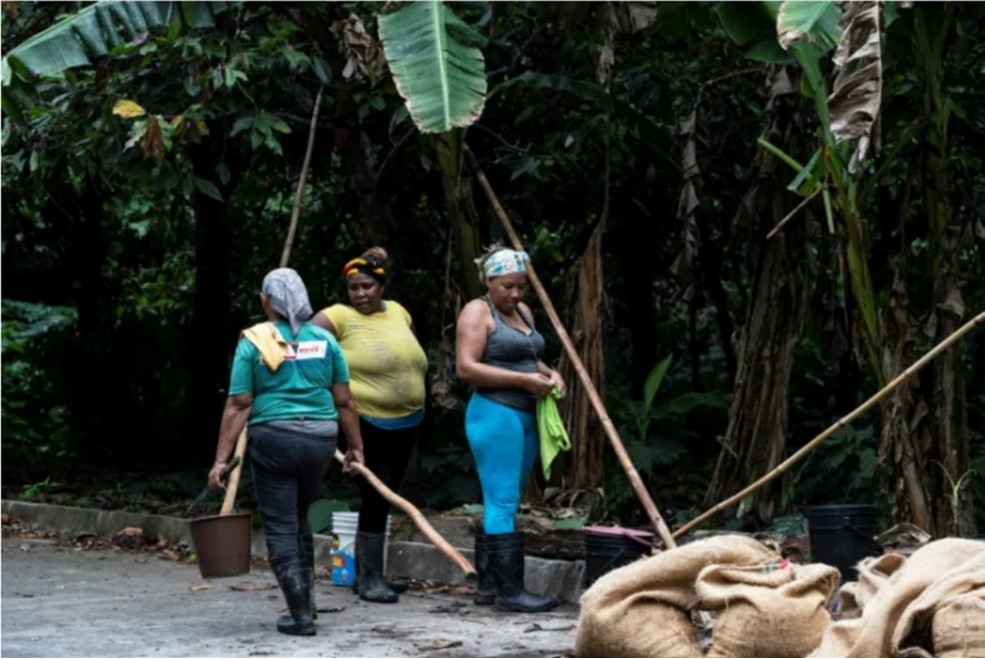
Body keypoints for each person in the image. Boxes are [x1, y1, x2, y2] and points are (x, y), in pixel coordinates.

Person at [209, 268, 364, 636]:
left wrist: (220, 460)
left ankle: (300, 616)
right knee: (298, 517)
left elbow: (238, 404)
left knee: (280, 524)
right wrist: (355, 447)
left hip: (274, 439)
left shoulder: (254, 342)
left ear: (267, 301)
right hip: (321, 441)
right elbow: (345, 402)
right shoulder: (326, 342)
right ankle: (305, 604)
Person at [311, 247, 427, 604]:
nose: (360, 294)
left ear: (381, 286)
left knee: (388, 492)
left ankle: (372, 572)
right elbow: (300, 343)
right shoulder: (337, 317)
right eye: (353, 288)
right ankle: (369, 578)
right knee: (374, 494)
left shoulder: (399, 312)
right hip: (365, 421)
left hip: (407, 420)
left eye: (367, 286)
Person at [455, 246, 565, 613]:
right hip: (494, 412)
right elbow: (466, 368)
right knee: (502, 501)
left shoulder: (523, 312)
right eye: (507, 287)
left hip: (526, 413)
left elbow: (530, 357)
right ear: (489, 280)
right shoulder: (476, 311)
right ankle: (510, 591)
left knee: (505, 500)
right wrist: (523, 381)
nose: (515, 294)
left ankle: (488, 586)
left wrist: (552, 374)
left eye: (521, 287)